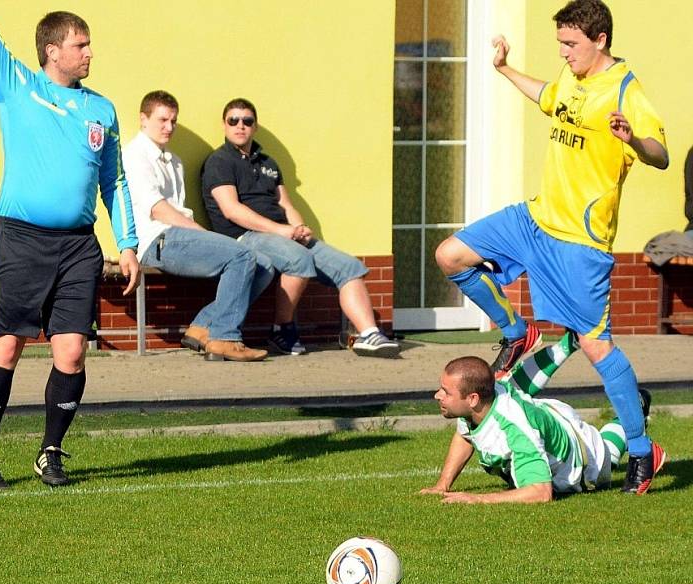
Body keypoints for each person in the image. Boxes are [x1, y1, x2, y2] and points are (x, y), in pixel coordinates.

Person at [433, 0, 668, 493]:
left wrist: (633, 139)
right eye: (560, 44)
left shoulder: (625, 88)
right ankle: (518, 331)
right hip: (534, 219)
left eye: (570, 44)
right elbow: (549, 97)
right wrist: (503, 71)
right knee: (450, 255)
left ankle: (643, 453)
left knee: (595, 345)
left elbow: (661, 154)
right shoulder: (573, 79)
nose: (563, 53)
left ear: (600, 40)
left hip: (579, 243)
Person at [0, 0, 141, 488]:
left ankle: (51, 453)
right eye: (80, 45)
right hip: (20, 242)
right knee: (8, 347)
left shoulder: (100, 109)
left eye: (88, 44)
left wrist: (127, 243)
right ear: (52, 50)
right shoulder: (16, 85)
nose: (89, 53)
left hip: (78, 247)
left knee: (72, 354)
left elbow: (115, 180)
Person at [201, 98, 400, 358]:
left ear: (255, 126)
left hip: (282, 234)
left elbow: (285, 203)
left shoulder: (269, 163)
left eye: (247, 121)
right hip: (245, 237)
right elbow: (232, 210)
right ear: (224, 125)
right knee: (299, 259)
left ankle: (368, 334)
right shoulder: (219, 161)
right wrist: (280, 230)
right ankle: (281, 329)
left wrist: (298, 227)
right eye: (233, 121)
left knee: (349, 267)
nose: (240, 126)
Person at [420, 333, 662, 503]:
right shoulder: (483, 398)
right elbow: (465, 435)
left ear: (472, 399)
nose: (437, 395)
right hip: (551, 417)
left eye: (445, 391)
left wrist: (478, 499)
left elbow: (540, 492)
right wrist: (442, 485)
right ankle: (571, 344)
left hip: (587, 459)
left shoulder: (515, 428)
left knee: (606, 452)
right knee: (601, 442)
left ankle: (638, 419)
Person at [122, 91, 272, 362]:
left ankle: (203, 327)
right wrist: (201, 233)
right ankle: (225, 337)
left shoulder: (174, 161)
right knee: (242, 255)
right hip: (156, 240)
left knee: (264, 264)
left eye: (174, 121)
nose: (169, 127)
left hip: (176, 236)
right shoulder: (134, 155)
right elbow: (157, 209)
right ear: (143, 120)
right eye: (162, 120)